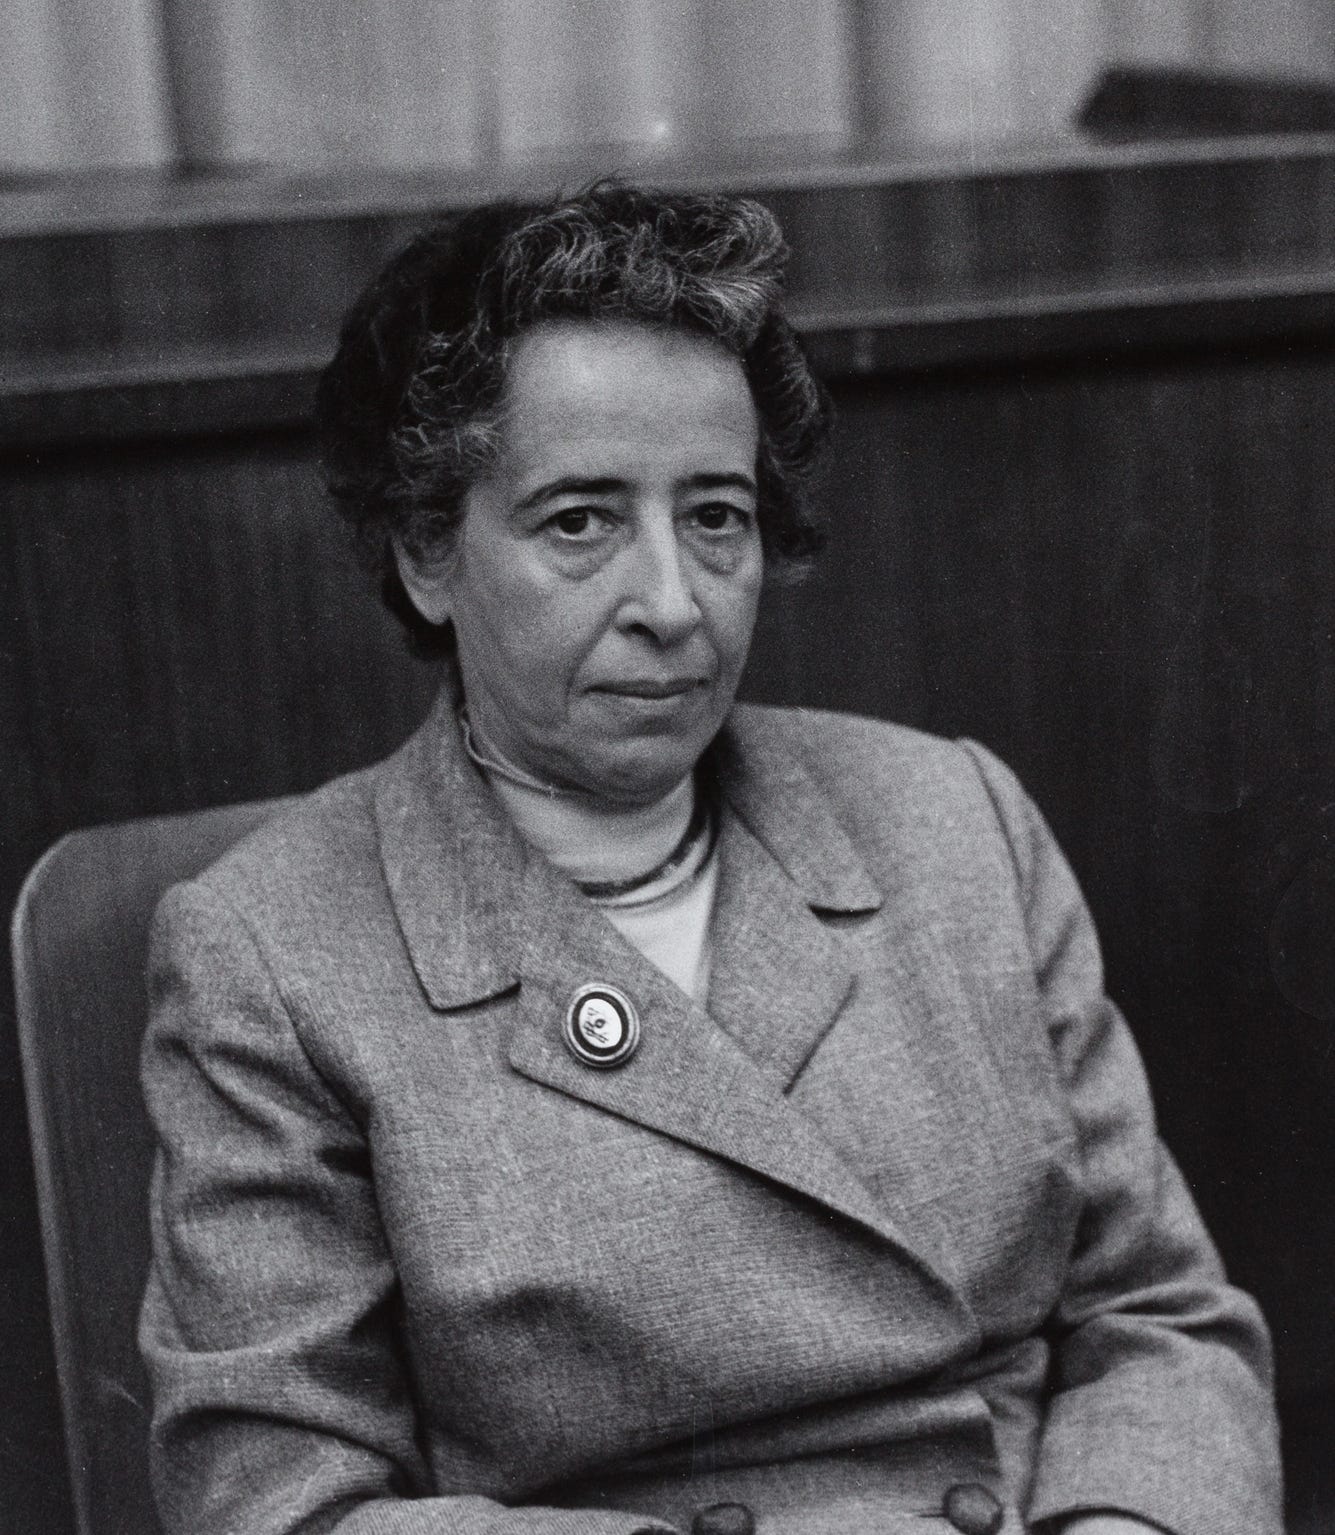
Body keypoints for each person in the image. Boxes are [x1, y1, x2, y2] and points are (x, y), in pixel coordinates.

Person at [139, 184, 1282, 1535]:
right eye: (581, 521)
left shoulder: (951, 819)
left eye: (717, 517)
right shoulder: (271, 954)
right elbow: (282, 1501)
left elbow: (1157, 1313)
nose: (674, 605)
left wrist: (1122, 1528)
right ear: (429, 553)